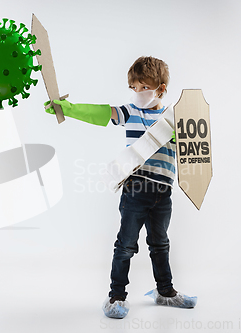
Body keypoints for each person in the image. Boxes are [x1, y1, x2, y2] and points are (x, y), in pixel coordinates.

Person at [44, 56, 197, 319]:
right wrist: (68, 109)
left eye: (144, 88)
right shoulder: (131, 112)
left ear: (161, 89)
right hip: (135, 190)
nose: (138, 93)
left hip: (164, 193)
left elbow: (193, 148)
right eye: (134, 88)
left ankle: (165, 292)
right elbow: (102, 113)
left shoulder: (175, 120)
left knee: (160, 244)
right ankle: (116, 296)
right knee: (126, 245)